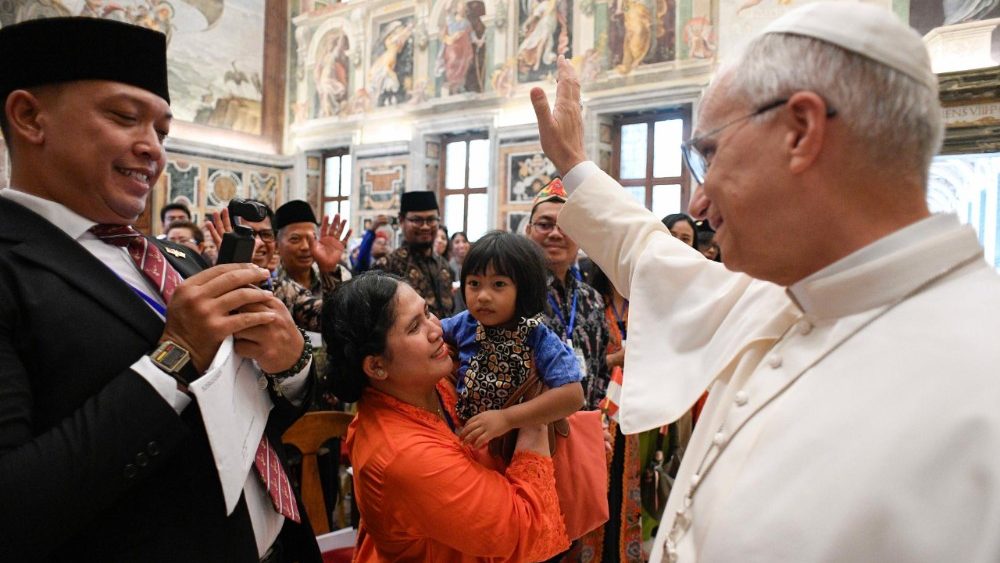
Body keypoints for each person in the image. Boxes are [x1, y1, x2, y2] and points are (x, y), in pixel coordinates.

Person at [530, 4, 1000, 562]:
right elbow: (648, 254)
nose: (696, 203)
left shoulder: (979, 382)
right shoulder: (784, 294)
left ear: (800, 131)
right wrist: (573, 162)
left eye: (709, 154)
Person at [0, 17, 320, 562]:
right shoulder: (12, 265)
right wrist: (175, 358)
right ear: (30, 117)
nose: (152, 149)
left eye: (163, 132)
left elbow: (247, 421)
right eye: (125, 118)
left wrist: (288, 367)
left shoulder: (174, 258)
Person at [321, 272, 570, 561]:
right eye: (414, 327)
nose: (437, 329)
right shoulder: (404, 456)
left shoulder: (429, 382)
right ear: (376, 366)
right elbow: (523, 529)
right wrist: (535, 418)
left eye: (427, 312)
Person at [440, 231, 584, 452]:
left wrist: (507, 418)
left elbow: (573, 395)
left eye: (498, 284)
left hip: (518, 448)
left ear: (524, 288)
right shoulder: (464, 323)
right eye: (474, 283)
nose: (483, 296)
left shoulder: (537, 336)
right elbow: (431, 331)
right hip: (467, 442)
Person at [524, 179, 610, 410]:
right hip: (534, 431)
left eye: (566, 226)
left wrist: (593, 416)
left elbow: (601, 368)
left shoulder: (592, 299)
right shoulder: (516, 294)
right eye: (545, 224)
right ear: (528, 231)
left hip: (585, 430)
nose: (555, 234)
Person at [272, 200, 353, 333]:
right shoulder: (272, 284)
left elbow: (344, 321)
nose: (305, 247)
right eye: (295, 239)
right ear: (276, 245)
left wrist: (329, 271)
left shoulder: (339, 275)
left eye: (312, 238)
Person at [372, 191, 455, 319]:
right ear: (401, 220)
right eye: (417, 220)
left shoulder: (443, 265)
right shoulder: (387, 266)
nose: (425, 226)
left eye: (431, 219)